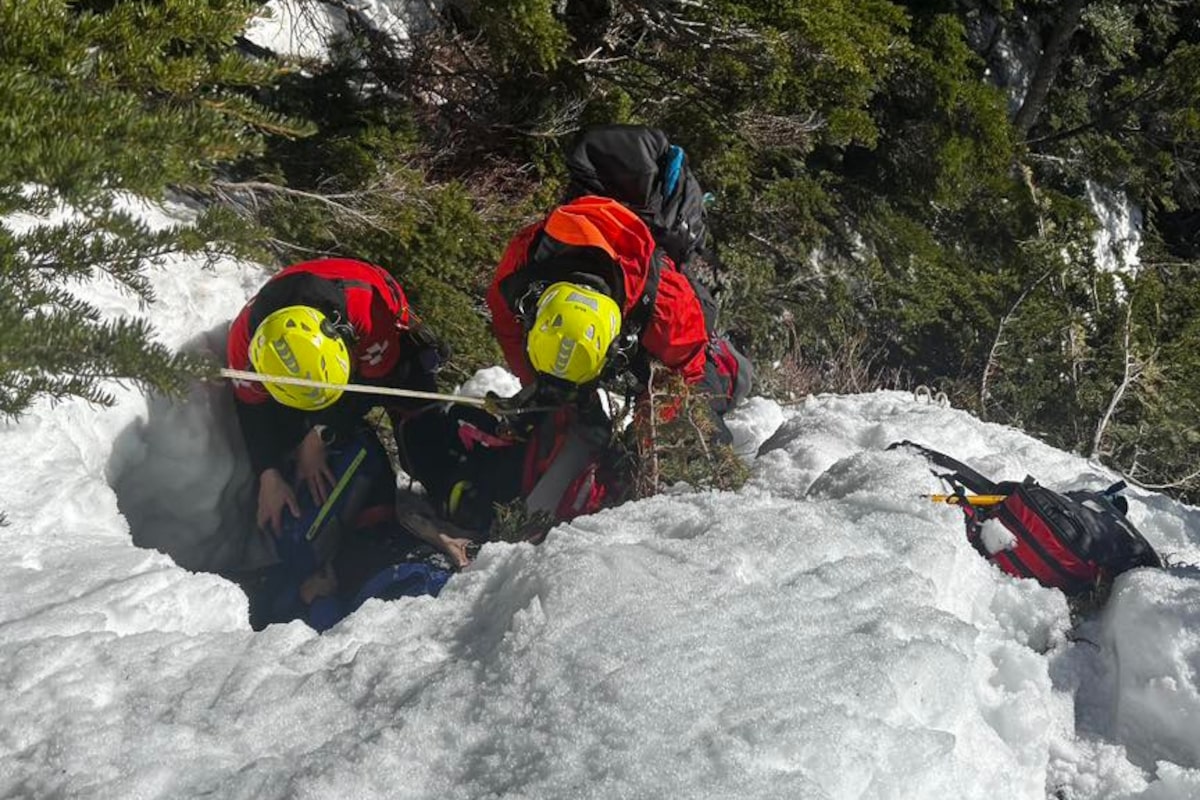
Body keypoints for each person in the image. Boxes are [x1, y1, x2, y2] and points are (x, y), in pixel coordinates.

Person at [226, 257, 468, 565]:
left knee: (420, 425)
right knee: (290, 434)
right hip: (321, 351)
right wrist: (268, 474)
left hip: (380, 338)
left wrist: (319, 436)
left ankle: (448, 484)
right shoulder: (245, 346)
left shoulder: (367, 312)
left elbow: (374, 384)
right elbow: (252, 410)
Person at [485, 195, 751, 438]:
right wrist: (540, 386)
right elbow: (508, 329)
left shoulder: (667, 305)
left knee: (699, 412)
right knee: (559, 400)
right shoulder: (523, 266)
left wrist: (646, 433)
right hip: (608, 279)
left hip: (669, 322)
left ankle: (731, 365)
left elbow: (687, 371)